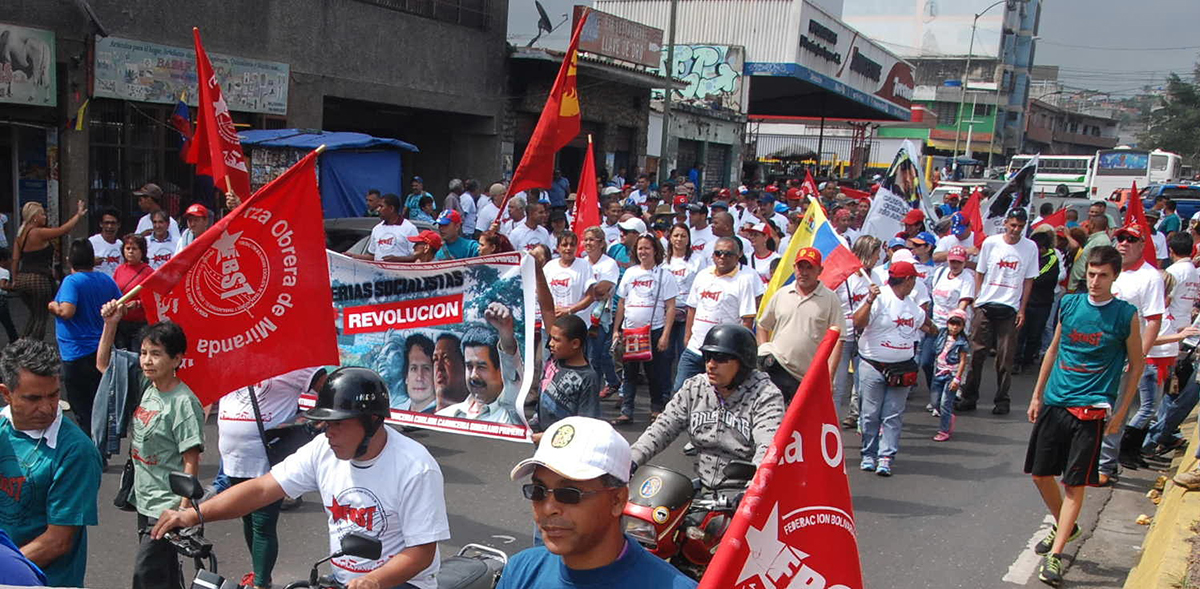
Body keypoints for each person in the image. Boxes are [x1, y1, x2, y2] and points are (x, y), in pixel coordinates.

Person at [153, 367, 450, 589]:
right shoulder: (325, 448)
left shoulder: (415, 467)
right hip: (345, 579)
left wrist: (373, 580)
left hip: (402, 583)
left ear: (372, 421)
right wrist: (193, 514)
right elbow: (260, 489)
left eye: (339, 424)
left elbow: (421, 553)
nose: (328, 433)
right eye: (326, 423)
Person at [1025, 245, 1142, 587]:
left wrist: (1120, 413)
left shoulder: (1125, 315)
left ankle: (1056, 555)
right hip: (1055, 402)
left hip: (1091, 411)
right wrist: (1036, 394)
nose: (1095, 281)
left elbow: (1136, 365)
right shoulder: (1070, 304)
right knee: (1039, 474)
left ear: (1114, 276)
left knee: (1074, 484)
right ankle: (1067, 526)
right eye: (1091, 273)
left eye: (1103, 275)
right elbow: (1053, 348)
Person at [501, 417, 696, 589]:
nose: (548, 508)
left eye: (569, 494)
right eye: (538, 491)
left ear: (617, 500)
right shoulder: (521, 570)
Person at [96, 300, 203, 589]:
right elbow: (105, 365)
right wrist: (111, 324)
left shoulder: (184, 403)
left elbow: (190, 461)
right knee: (163, 575)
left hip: (166, 507)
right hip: (143, 498)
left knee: (145, 575)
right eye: (144, 353)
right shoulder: (146, 386)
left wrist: (182, 511)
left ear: (177, 359)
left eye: (156, 354)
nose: (146, 361)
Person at [0, 339, 102, 587]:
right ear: (6, 394)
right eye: (33, 398)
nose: (47, 408)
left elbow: (57, 542)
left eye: (54, 395)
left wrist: (7, 571)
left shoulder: (76, 451)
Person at [630, 324, 784, 488]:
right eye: (707, 356)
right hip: (704, 488)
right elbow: (662, 428)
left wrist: (755, 488)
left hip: (746, 491)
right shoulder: (695, 387)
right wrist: (630, 460)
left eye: (719, 357)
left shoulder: (765, 395)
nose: (711, 364)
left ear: (743, 361)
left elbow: (768, 449)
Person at [216, 367, 325, 589]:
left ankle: (261, 583)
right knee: (246, 517)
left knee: (263, 524)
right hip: (235, 459)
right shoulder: (231, 360)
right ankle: (260, 572)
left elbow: (328, 388)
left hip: (268, 458)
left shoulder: (291, 363)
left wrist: (317, 421)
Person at [1097, 223, 1166, 484]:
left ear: (1142, 244)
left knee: (1117, 410)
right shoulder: (1111, 272)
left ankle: (1106, 465)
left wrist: (1139, 358)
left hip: (1126, 355)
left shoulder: (1150, 277)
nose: (1124, 243)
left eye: (1131, 239)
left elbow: (1154, 320)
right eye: (1121, 238)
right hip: (1098, 351)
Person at [854, 260, 933, 476]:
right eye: (913, 279)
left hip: (901, 368)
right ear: (908, 280)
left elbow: (927, 324)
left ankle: (886, 456)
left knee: (892, 414)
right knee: (870, 414)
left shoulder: (912, 306)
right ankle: (869, 453)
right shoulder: (880, 299)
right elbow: (858, 322)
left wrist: (941, 330)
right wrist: (869, 300)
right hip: (873, 364)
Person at [957, 208, 1038, 415]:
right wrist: (977, 299)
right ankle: (969, 396)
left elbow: (1029, 280)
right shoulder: (991, 243)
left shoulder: (1030, 247)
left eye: (1020, 226)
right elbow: (980, 272)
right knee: (977, 353)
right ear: (1006, 224)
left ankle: (1002, 399)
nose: (1016, 230)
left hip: (1009, 308)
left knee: (1005, 358)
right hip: (986, 304)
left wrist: (1022, 308)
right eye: (1013, 225)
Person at [48, 239, 120, 433]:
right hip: (101, 352)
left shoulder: (72, 281)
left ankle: (91, 450)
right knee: (99, 404)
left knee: (82, 408)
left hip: (76, 353)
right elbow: (121, 306)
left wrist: (53, 306)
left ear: (69, 260)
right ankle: (100, 448)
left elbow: (67, 311)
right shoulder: (106, 279)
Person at [673, 237, 759, 393]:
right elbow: (692, 308)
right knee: (680, 392)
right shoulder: (702, 275)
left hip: (722, 354)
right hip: (695, 348)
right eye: (718, 253)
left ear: (738, 256)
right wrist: (687, 336)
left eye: (728, 254)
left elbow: (747, 319)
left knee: (717, 396)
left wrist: (738, 351)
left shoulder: (744, 280)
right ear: (712, 255)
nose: (722, 257)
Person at [756, 247, 844, 401]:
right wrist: (764, 350)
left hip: (808, 378)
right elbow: (763, 325)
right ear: (794, 268)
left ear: (820, 270)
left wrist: (829, 377)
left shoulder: (830, 299)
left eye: (809, 267)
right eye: (800, 267)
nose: (804, 272)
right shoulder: (781, 294)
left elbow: (838, 340)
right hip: (778, 368)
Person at [611, 234, 677, 424]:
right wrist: (617, 329)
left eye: (647, 248)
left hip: (654, 330)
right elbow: (622, 302)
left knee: (654, 373)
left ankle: (656, 408)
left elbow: (671, 306)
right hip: (631, 331)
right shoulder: (630, 273)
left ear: (655, 250)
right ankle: (626, 411)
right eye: (640, 248)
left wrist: (665, 335)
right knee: (629, 373)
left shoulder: (665, 275)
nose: (643, 252)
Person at [10, 200, 87, 340]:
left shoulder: (20, 236)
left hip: (22, 278)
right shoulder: (37, 233)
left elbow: (15, 260)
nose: (45, 217)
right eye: (42, 214)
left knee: (34, 314)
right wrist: (78, 215)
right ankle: (34, 347)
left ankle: (22, 344)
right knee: (41, 317)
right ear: (34, 217)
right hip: (38, 279)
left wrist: (14, 279)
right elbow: (63, 230)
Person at [437, 303, 524, 424]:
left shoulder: (511, 414)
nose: (473, 375)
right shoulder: (444, 418)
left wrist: (506, 333)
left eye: (481, 367)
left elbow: (511, 364)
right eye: (469, 366)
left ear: (500, 370)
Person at [533, 315, 601, 438]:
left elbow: (585, 424)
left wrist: (548, 437)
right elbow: (547, 310)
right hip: (541, 438)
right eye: (550, 338)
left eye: (556, 340)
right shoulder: (554, 360)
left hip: (565, 447)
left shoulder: (587, 378)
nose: (550, 344)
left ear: (575, 343)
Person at [838, 236, 881, 428]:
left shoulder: (876, 277)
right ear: (866, 254)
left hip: (865, 336)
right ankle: (831, 422)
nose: (878, 259)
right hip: (842, 336)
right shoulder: (844, 278)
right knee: (837, 384)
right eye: (875, 254)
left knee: (862, 382)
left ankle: (857, 416)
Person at [581, 227, 622, 399]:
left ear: (601, 243)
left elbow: (602, 289)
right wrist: (593, 291)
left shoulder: (609, 264)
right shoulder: (581, 262)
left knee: (595, 358)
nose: (588, 243)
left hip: (600, 319)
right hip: (582, 316)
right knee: (585, 357)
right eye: (586, 239)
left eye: (592, 239)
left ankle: (593, 395)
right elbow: (592, 291)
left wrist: (588, 291)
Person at [1015, 231, 1061, 375]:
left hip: (1042, 303)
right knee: (1020, 333)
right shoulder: (1028, 255)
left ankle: (1027, 361)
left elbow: (1036, 277)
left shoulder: (1052, 259)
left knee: (1034, 335)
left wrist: (1026, 278)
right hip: (1026, 301)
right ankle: (1016, 361)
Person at [665, 223, 705, 379]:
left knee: (685, 351)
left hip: (688, 312)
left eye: (683, 236)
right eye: (676, 235)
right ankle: (666, 392)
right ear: (670, 238)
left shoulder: (698, 260)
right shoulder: (664, 261)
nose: (679, 239)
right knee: (666, 354)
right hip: (668, 312)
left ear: (689, 239)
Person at [930, 310, 970, 440]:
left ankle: (944, 430)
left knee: (945, 403)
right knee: (934, 401)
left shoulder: (962, 342)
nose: (954, 327)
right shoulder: (942, 334)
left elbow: (963, 361)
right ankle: (948, 417)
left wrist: (957, 379)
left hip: (951, 375)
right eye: (952, 323)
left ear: (963, 326)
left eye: (958, 325)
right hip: (938, 372)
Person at [112, 234, 153, 351]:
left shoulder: (149, 272)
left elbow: (154, 298)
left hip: (140, 325)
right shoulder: (119, 270)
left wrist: (138, 304)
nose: (130, 252)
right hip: (121, 322)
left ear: (142, 252)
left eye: (134, 249)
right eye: (128, 248)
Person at [542, 233, 595, 322]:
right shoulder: (549, 266)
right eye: (564, 245)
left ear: (576, 247)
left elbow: (590, 297)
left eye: (572, 245)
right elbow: (540, 293)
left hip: (576, 322)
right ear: (558, 248)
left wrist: (569, 311)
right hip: (551, 321)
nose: (568, 248)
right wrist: (550, 308)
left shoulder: (584, 265)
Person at [1069, 214, 1110, 292]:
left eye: (1089, 223)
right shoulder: (1094, 239)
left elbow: (1098, 263)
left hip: (1085, 284)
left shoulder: (1101, 241)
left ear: (1093, 225)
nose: (1087, 225)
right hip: (1080, 283)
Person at [433, 333, 469, 411]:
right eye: (435, 359)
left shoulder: (480, 417)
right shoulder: (419, 416)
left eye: (446, 358)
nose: (439, 367)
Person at [89, 207, 123, 277]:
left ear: (118, 225)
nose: (109, 226)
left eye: (113, 223)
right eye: (106, 223)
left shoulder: (121, 245)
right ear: (101, 224)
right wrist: (90, 262)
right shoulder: (91, 242)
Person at [0, 249, 17, 344]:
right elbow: (3, 285)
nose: (11, 261)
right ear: (3, 260)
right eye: (9, 258)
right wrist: (13, 287)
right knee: (8, 323)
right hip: (1, 301)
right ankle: (14, 342)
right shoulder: (4, 271)